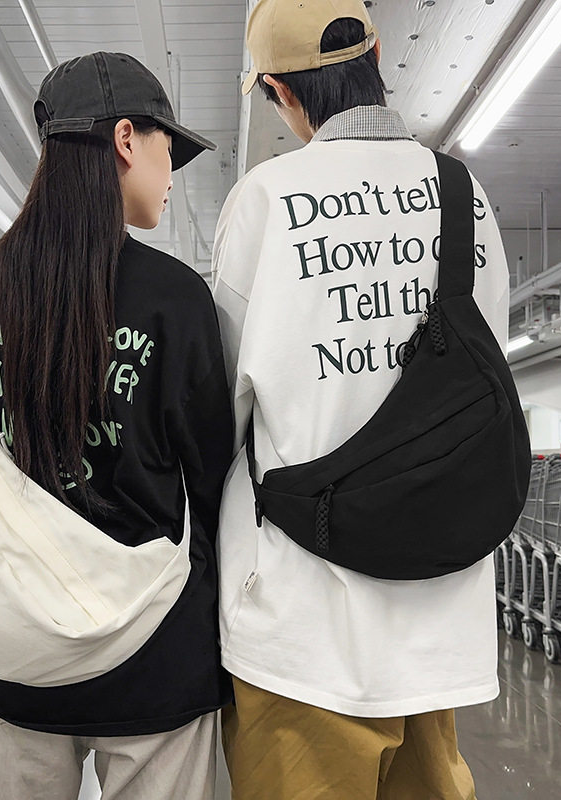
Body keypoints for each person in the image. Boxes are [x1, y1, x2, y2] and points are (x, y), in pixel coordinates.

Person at [0, 52, 233, 800]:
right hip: (156, 662)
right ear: (126, 139)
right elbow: (215, 486)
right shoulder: (175, 297)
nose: (172, 174)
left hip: (17, 662)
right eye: (168, 149)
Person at [212, 2, 509, 798]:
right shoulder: (466, 195)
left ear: (279, 91)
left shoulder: (265, 199)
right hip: (439, 619)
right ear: (376, 54)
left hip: (303, 627)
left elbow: (222, 405)